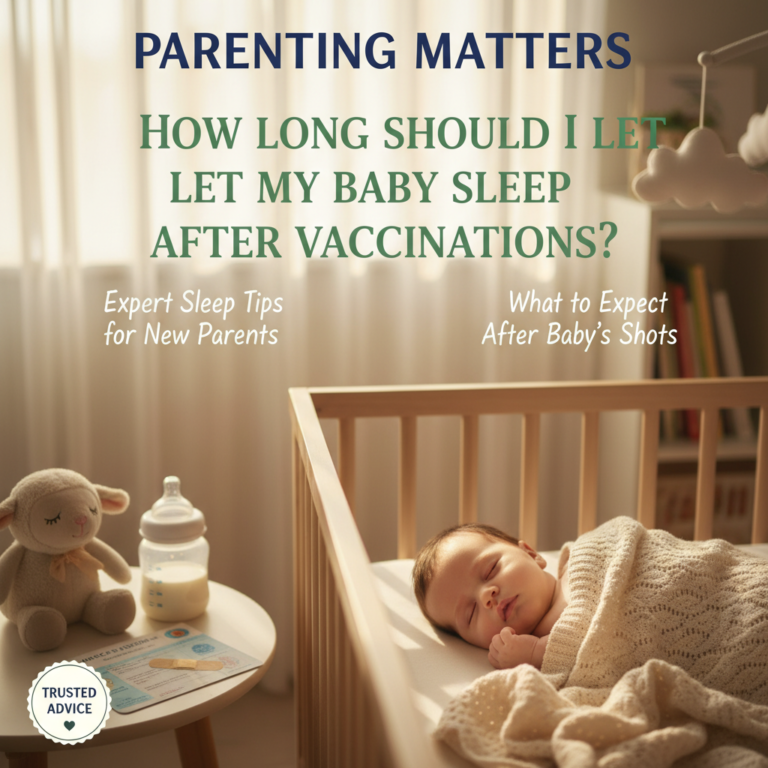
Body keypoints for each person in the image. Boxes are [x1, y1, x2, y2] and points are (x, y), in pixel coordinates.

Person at [412, 522, 569, 670]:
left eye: (491, 570)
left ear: (531, 554)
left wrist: (536, 652)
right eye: (471, 613)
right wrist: (534, 654)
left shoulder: (575, 565)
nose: (485, 597)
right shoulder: (532, 656)